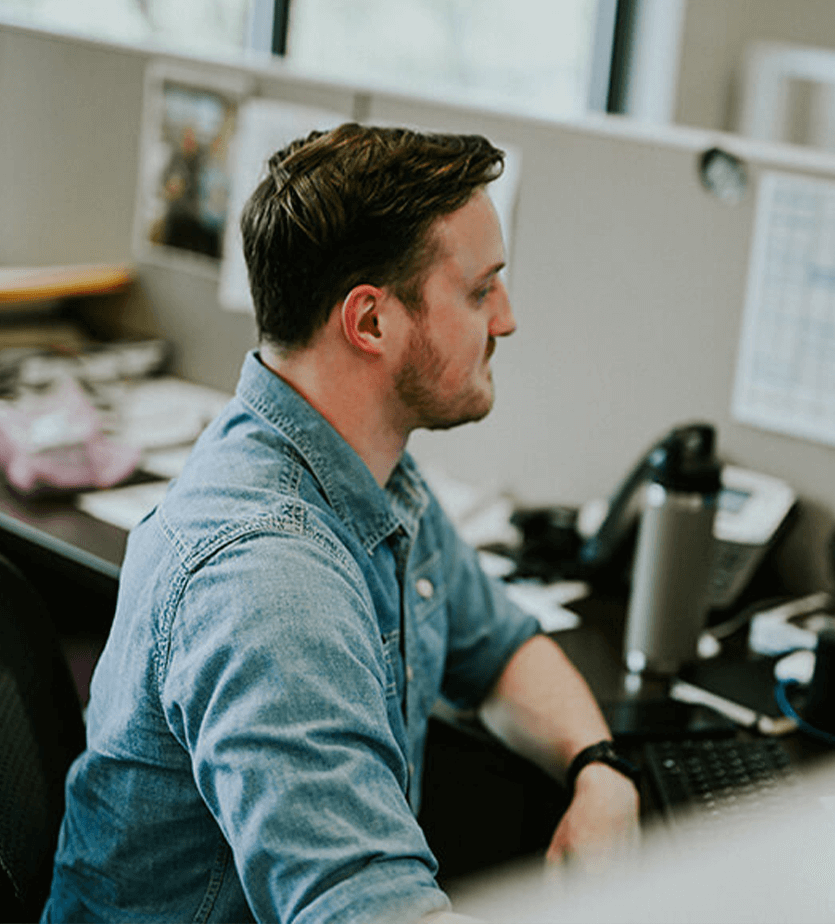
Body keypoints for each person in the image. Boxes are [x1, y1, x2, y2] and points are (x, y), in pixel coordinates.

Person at [43, 123, 639, 924]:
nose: (506, 319)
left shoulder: (364, 465)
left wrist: (598, 767)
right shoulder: (270, 585)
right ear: (371, 323)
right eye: (478, 289)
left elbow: (495, 644)